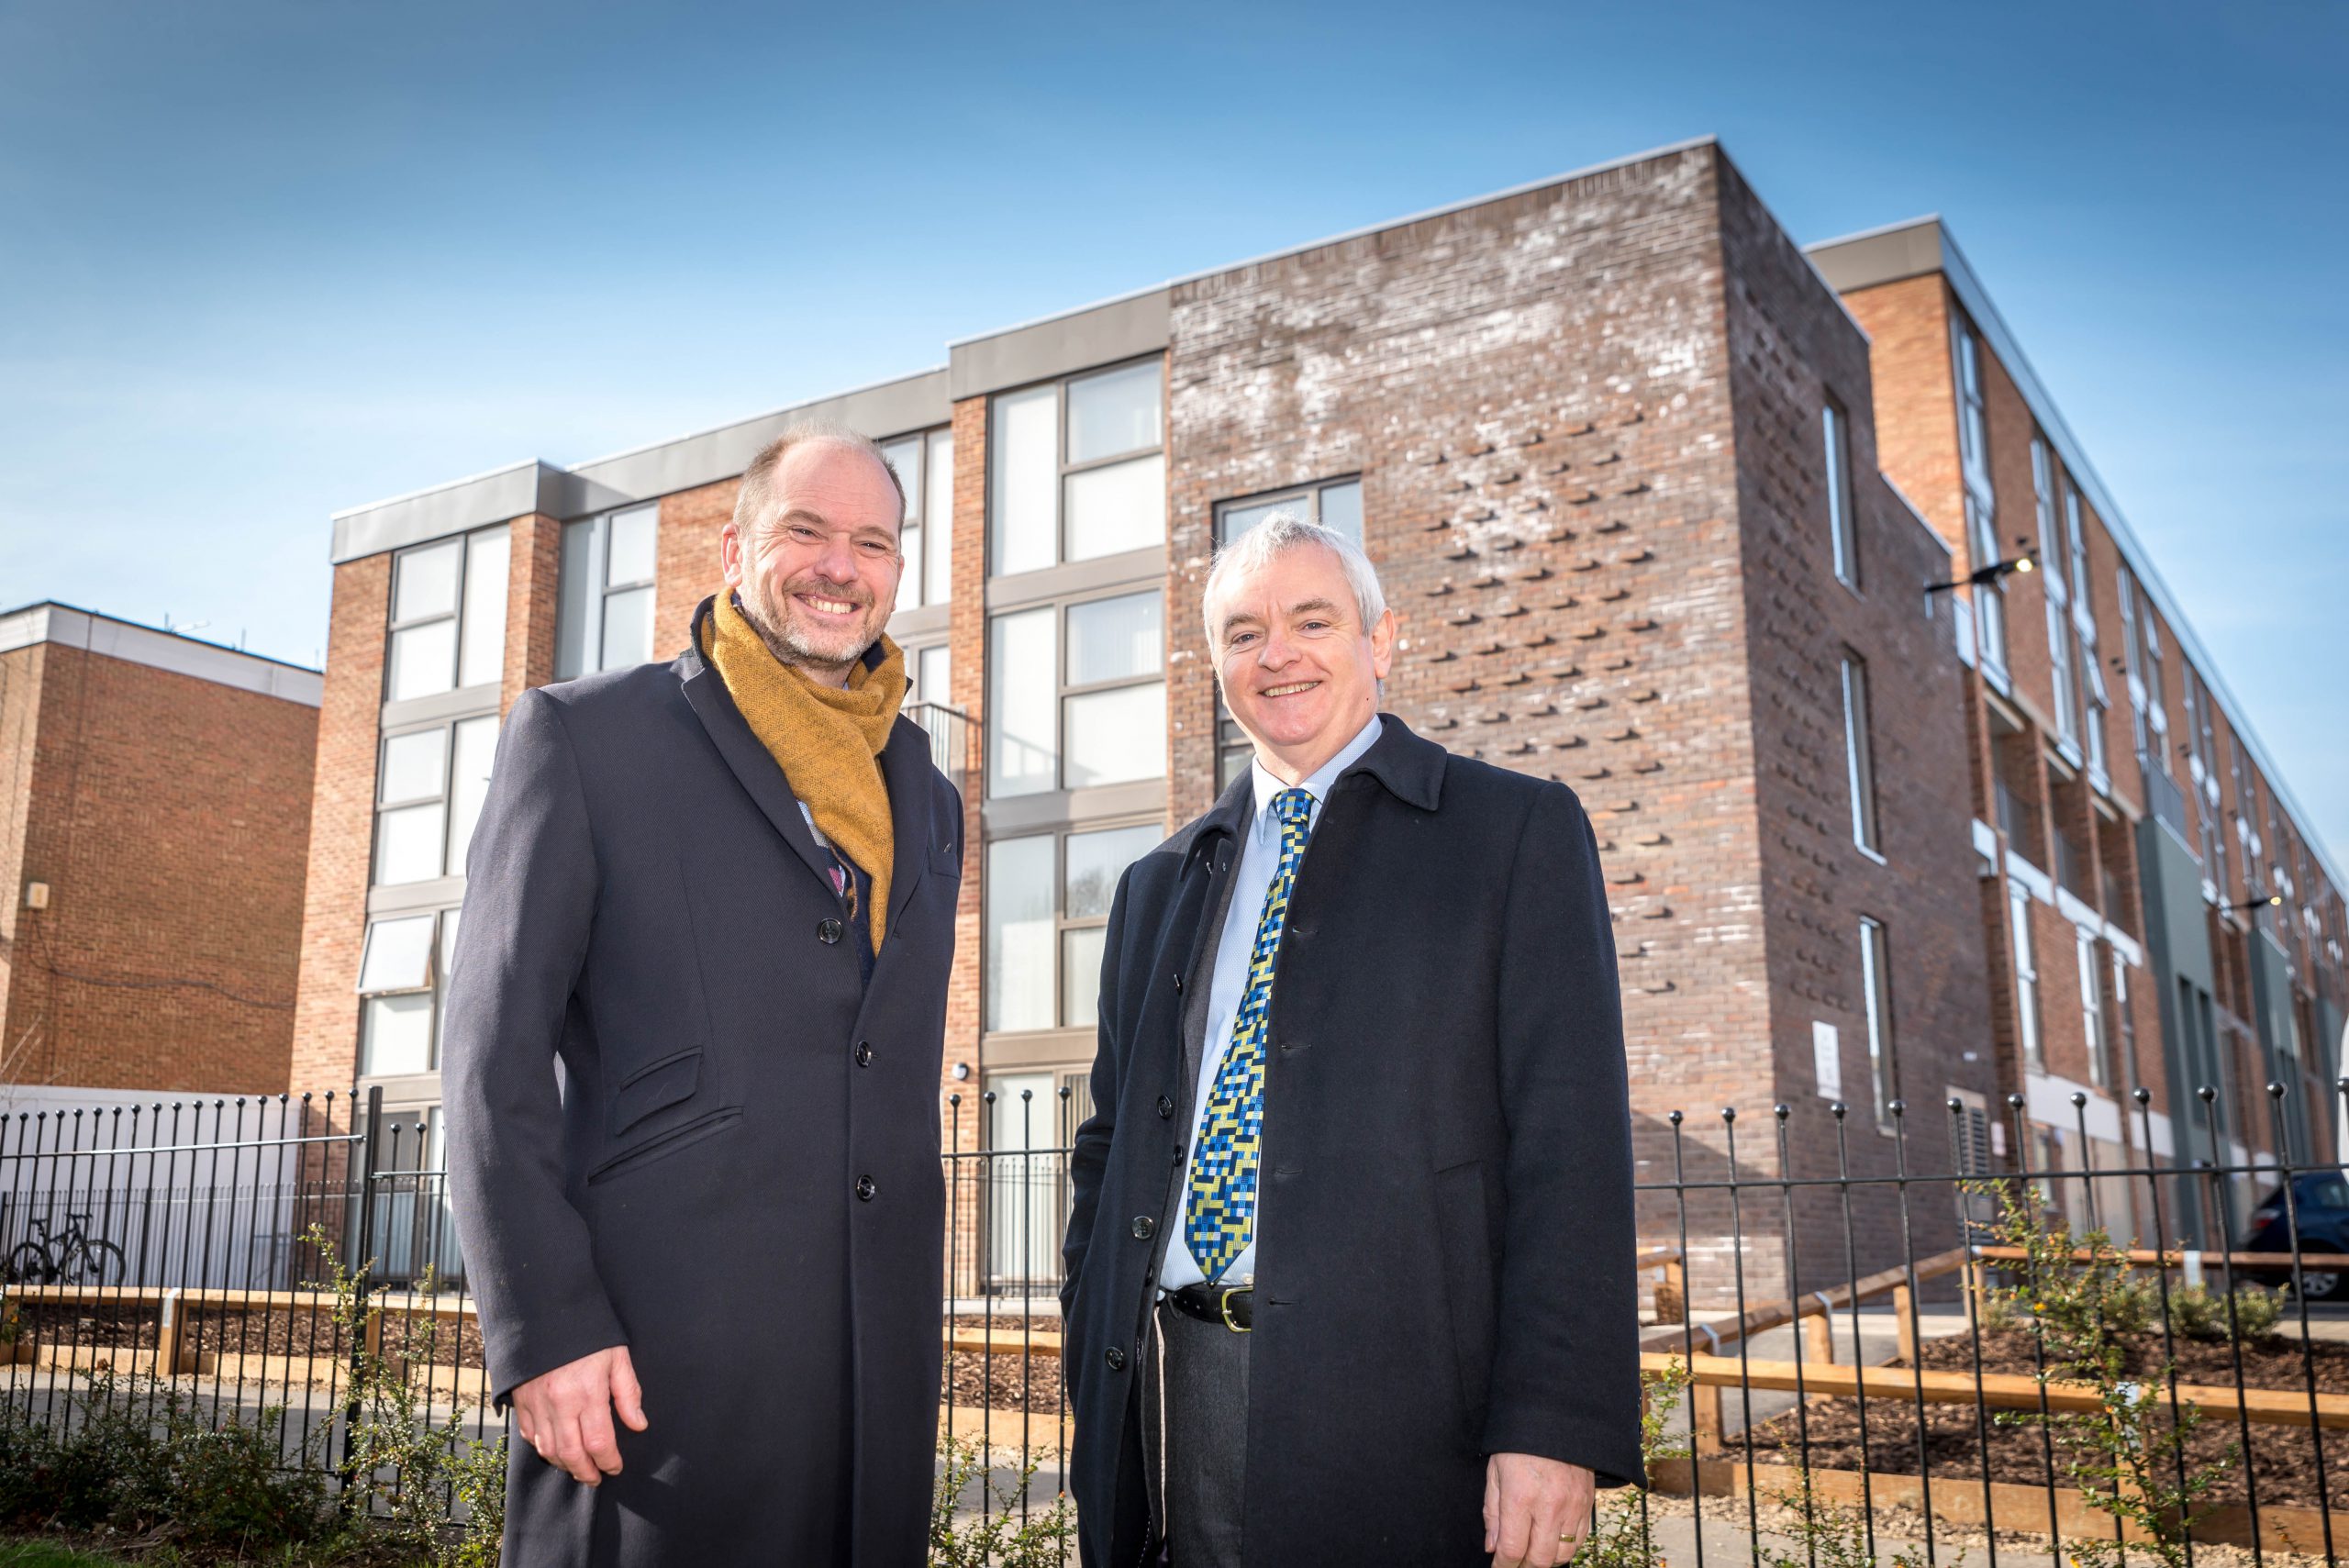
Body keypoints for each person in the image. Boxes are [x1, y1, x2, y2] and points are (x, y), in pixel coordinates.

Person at [1060, 512, 1642, 1567]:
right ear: (1216, 666)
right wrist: (1084, 1348)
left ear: (1381, 641)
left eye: (1310, 619)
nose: (1276, 652)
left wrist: (1551, 1421)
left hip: (1413, 1420)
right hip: (1179, 1392)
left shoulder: (1513, 833)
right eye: (1243, 632)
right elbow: (1107, 1149)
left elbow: (1572, 1147)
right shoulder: (1159, 884)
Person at [442, 425, 963, 1566]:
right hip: (645, 1372)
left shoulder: (927, 794)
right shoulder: (584, 737)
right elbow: (490, 1060)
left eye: (871, 542)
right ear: (734, 549)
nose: (841, 565)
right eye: (807, 532)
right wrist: (543, 1329)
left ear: (897, 572)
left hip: (870, 1380)